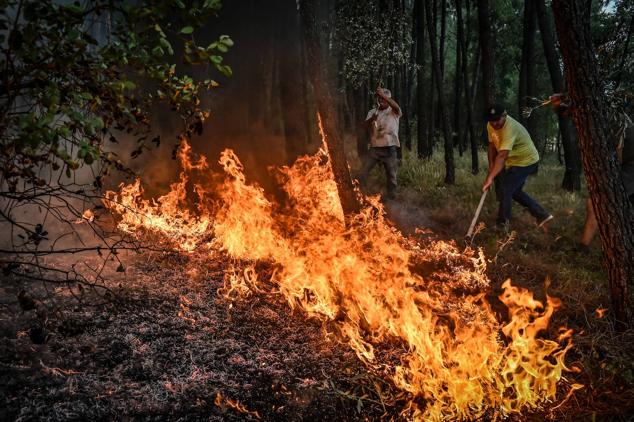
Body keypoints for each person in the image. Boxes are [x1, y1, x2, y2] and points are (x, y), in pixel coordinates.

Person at [550, 93, 634, 247]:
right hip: (626, 163)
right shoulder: (594, 113)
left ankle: (584, 246)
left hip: (630, 165)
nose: (569, 117)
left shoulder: (604, 119)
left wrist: (607, 180)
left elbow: (618, 155)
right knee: (598, 201)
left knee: (596, 202)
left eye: (568, 112)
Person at [482, 104, 553, 230]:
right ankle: (542, 214)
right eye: (491, 121)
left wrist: (490, 178)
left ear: (504, 115)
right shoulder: (490, 125)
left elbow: (502, 155)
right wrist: (491, 166)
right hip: (513, 161)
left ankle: (503, 224)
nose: (494, 124)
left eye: (497, 120)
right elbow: (492, 146)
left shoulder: (510, 128)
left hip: (526, 161)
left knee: (505, 189)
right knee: (514, 191)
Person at [358, 87, 402, 200]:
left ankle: (392, 199)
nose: (381, 101)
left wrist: (383, 94)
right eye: (379, 99)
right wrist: (372, 119)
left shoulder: (393, 111)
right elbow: (364, 127)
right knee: (363, 171)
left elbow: (396, 107)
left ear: (388, 99)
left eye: (383, 99)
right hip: (375, 149)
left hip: (390, 148)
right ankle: (360, 193)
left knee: (391, 176)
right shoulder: (373, 112)